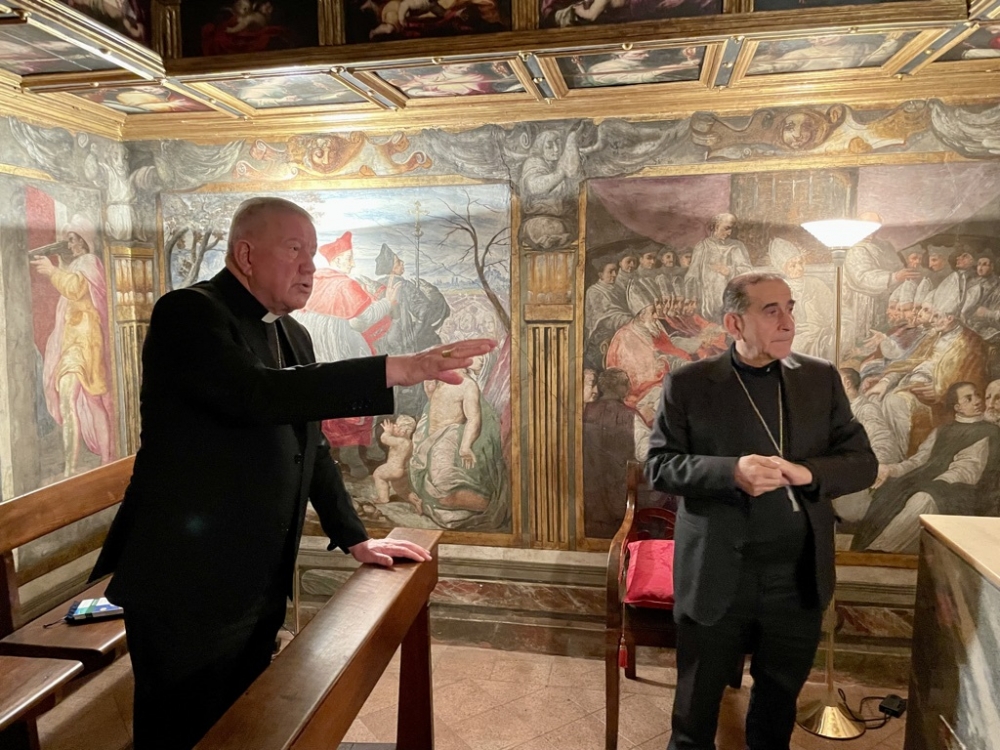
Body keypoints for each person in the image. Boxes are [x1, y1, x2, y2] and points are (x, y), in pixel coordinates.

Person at [89, 197, 495, 750]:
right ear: (246, 255)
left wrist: (354, 537)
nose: (311, 265)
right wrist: (398, 368)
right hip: (187, 578)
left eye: (314, 251)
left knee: (244, 724)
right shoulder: (188, 313)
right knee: (181, 730)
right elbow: (254, 395)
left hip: (257, 574)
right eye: (295, 250)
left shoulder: (292, 334)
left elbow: (312, 448)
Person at [645, 272, 877, 750]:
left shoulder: (819, 378)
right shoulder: (689, 383)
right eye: (772, 311)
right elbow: (660, 467)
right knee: (695, 712)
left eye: (790, 308)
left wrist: (807, 473)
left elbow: (863, 463)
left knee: (777, 708)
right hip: (716, 572)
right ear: (735, 323)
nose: (788, 321)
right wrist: (731, 472)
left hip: (797, 576)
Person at [30, 214, 116, 477]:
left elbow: (76, 288)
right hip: (75, 339)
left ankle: (84, 466)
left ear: (83, 239)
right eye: (68, 240)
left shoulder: (89, 261)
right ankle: (90, 463)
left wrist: (52, 271)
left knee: (76, 397)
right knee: (86, 398)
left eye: (73, 239)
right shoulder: (78, 264)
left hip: (86, 339)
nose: (70, 245)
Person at [685, 213, 752, 322]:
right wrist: (691, 297)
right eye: (726, 228)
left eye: (731, 229)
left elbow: (748, 272)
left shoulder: (736, 247)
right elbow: (692, 275)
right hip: (707, 302)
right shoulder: (702, 247)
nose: (729, 233)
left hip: (730, 300)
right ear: (716, 227)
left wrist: (729, 271)